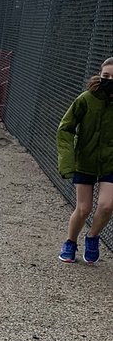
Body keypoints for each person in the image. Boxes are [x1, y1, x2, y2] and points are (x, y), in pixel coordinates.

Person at [56, 56, 113, 264]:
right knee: (84, 208)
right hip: (85, 159)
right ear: (99, 75)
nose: (109, 79)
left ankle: (92, 236)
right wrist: (67, 160)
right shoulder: (85, 99)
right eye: (106, 75)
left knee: (107, 205)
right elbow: (65, 128)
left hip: (110, 161)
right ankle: (71, 241)